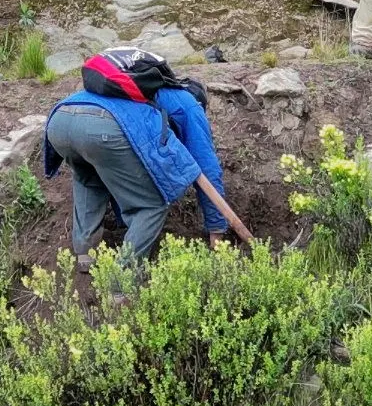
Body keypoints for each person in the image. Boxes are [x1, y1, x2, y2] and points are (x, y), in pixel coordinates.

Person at [41, 50, 232, 263]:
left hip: (60, 120)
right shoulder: (189, 105)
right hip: (103, 129)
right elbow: (207, 168)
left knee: (90, 180)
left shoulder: (135, 88)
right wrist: (217, 231)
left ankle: (86, 256)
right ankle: (122, 285)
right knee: (150, 206)